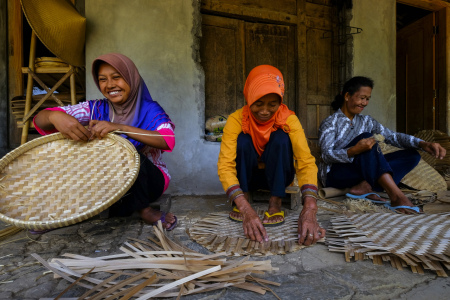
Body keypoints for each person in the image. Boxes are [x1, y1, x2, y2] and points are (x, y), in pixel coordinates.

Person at [34, 53, 178, 230]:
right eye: (103, 79)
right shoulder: (95, 108)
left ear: (131, 79)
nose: (110, 85)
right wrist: (54, 116)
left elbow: (167, 140)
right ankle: (66, 213)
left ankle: (144, 210)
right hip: (107, 184)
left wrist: (119, 127)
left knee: (128, 152)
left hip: (148, 183)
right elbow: (40, 120)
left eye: (117, 77)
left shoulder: (150, 109)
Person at [217, 65, 325, 245]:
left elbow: (305, 161)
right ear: (249, 97)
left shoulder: (289, 119)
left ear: (280, 102)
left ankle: (275, 202)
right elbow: (225, 164)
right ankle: (242, 198)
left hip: (279, 178)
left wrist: (310, 208)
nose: (265, 111)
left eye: (272, 105)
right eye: (258, 104)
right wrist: (245, 208)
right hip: (249, 177)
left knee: (281, 138)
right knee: (242, 141)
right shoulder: (237, 119)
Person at [318, 76, 446, 214]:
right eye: (361, 98)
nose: (365, 103)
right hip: (337, 175)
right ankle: (396, 196)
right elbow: (326, 155)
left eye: (367, 99)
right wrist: (353, 150)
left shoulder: (367, 121)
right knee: (366, 138)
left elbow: (392, 136)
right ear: (347, 96)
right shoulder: (330, 123)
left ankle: (364, 186)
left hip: (362, 172)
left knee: (411, 155)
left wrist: (422, 143)